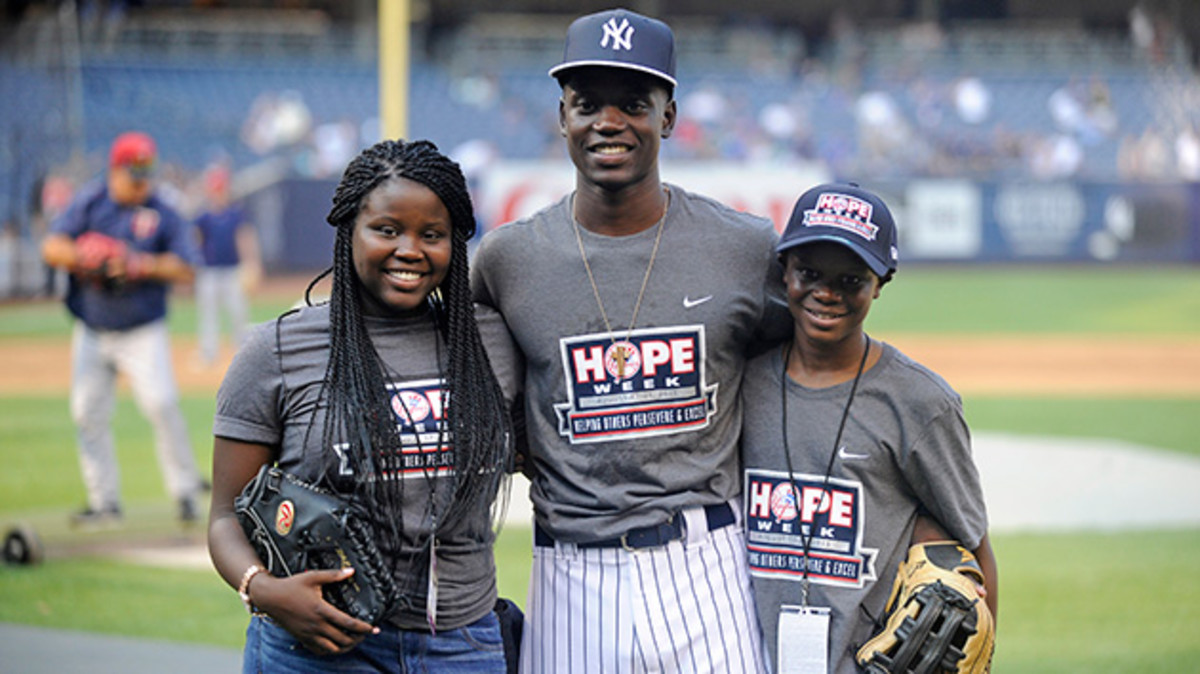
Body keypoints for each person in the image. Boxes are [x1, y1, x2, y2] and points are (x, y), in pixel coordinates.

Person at [470, 9, 789, 673]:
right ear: (562, 116)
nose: (608, 122)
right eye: (587, 104)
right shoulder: (505, 261)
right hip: (570, 569)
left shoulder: (745, 248)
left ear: (668, 116)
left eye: (634, 104)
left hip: (708, 562)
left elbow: (805, 374)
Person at [207, 138, 520, 671]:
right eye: (387, 229)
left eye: (433, 234)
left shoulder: (491, 341)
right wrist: (262, 590)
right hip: (318, 642)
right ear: (350, 230)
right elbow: (223, 518)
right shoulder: (280, 349)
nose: (410, 250)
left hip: (462, 645)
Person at [739, 183, 998, 673]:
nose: (826, 293)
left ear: (880, 281)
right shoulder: (743, 381)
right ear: (783, 271)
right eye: (809, 273)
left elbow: (974, 549)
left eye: (850, 279)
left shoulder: (919, 402)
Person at [41, 130, 206, 526]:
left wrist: (139, 263)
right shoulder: (91, 202)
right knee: (87, 413)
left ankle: (185, 491)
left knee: (162, 405)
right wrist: (86, 257)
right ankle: (105, 503)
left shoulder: (163, 210)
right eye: (134, 175)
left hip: (142, 329)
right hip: (94, 328)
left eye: (145, 175)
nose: (140, 184)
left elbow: (188, 266)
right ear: (115, 171)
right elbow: (52, 246)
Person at [192, 163, 261, 367]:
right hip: (209, 270)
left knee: (239, 311)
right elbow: (196, 240)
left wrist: (251, 263)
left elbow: (244, 238)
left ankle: (242, 352)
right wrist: (193, 265)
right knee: (208, 314)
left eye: (220, 188)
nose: (218, 192)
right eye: (215, 188)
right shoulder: (203, 216)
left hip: (232, 270)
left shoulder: (235, 213)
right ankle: (208, 353)